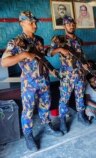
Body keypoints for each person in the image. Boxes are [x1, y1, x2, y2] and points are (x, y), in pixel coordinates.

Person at [1, 11, 62, 151]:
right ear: (22, 23)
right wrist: (23, 54)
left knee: (45, 105)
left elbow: (41, 57)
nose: (35, 25)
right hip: (29, 83)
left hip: (44, 80)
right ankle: (28, 135)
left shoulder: (39, 40)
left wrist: (53, 70)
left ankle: (47, 126)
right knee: (28, 111)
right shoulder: (16, 42)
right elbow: (4, 62)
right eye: (31, 23)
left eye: (35, 22)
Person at [49, 16, 90, 134]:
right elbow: (48, 53)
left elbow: (82, 56)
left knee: (80, 96)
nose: (71, 26)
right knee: (64, 99)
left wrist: (85, 65)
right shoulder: (58, 39)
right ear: (64, 26)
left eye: (73, 24)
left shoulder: (79, 40)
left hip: (79, 75)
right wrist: (60, 49)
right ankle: (62, 121)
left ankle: (81, 116)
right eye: (68, 24)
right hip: (66, 76)